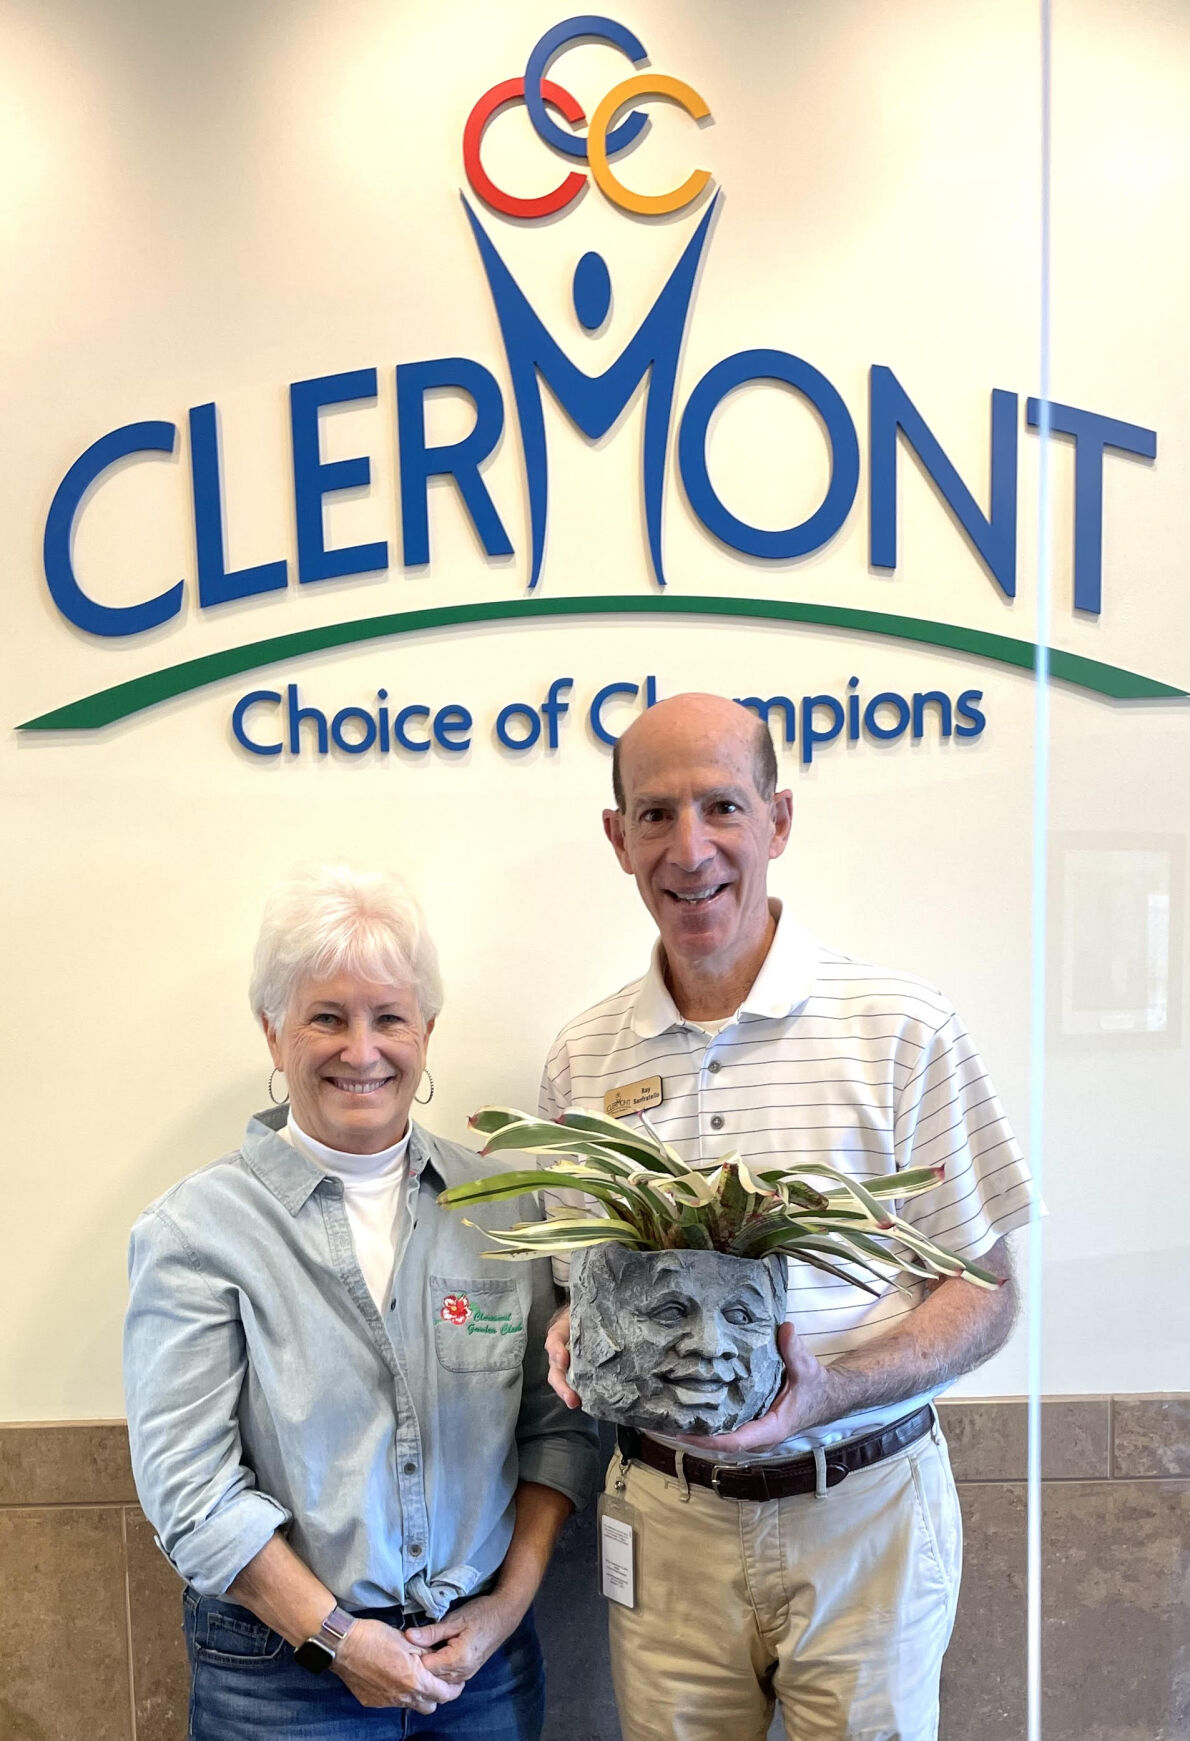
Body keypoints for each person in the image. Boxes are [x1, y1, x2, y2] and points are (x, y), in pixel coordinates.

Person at [540, 693, 1032, 1741]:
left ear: (777, 820)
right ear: (616, 838)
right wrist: (572, 1334)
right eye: (655, 813)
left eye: (721, 805)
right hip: (664, 1522)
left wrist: (830, 1390)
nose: (690, 847)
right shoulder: (583, 1057)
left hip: (860, 1510)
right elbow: (582, 1285)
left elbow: (984, 1292)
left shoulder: (898, 1025)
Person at [125, 863, 598, 1741]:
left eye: (389, 1016)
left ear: (427, 1030)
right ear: (272, 1033)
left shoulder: (506, 1208)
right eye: (326, 1018)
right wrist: (337, 1638)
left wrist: (504, 1609)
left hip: (484, 1666)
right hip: (280, 1677)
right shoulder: (194, 1232)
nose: (362, 1048)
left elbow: (556, 1427)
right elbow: (191, 1490)